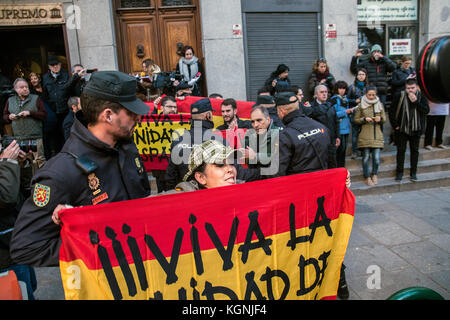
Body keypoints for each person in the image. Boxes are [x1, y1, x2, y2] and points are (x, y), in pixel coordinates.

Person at [9, 71, 151, 267]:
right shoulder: (60, 173)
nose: (138, 117)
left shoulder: (126, 148)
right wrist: (95, 246)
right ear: (108, 115)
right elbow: (27, 247)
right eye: (131, 112)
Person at [0, 139, 37, 299]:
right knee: (18, 292)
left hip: (17, 243)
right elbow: (6, 198)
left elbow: (27, 193)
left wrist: (22, 165)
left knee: (29, 288)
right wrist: (7, 163)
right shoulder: (4, 164)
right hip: (4, 257)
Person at [3, 78, 47, 195]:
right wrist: (9, 117)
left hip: (35, 136)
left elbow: (44, 114)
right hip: (19, 138)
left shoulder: (35, 98)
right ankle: (27, 188)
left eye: (26, 87)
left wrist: (30, 113)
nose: (25, 89)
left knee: (39, 161)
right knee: (23, 162)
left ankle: (42, 186)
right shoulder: (10, 100)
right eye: (22, 87)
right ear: (15, 89)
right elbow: (4, 116)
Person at [270, 91, 330, 177]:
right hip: (323, 184)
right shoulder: (321, 127)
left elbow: (276, 173)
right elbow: (332, 162)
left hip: (298, 186)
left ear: (281, 111)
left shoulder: (284, 136)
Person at [390, 78, 430, 182]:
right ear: (405, 87)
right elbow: (392, 111)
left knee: (414, 151)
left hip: (416, 129)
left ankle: (413, 173)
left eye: (412, 88)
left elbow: (426, 110)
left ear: (416, 87)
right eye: (408, 88)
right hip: (402, 129)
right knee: (401, 151)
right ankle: (399, 173)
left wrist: (416, 102)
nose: (410, 90)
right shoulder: (400, 95)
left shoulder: (421, 96)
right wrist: (395, 126)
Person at [353, 86, 386, 186]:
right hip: (365, 135)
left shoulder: (379, 104)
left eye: (373, 95)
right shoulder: (360, 105)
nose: (371, 97)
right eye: (369, 95)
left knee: (376, 158)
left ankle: (374, 174)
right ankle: (367, 176)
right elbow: (355, 120)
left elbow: (384, 119)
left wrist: (380, 119)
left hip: (377, 135)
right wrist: (364, 119)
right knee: (366, 157)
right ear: (366, 94)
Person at [303, 85, 340, 169]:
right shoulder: (310, 107)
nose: (324, 94)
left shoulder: (331, 106)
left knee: (332, 163)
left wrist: (338, 136)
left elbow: (336, 121)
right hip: (317, 141)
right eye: (322, 92)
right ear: (316, 94)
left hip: (331, 139)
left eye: (326, 92)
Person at [242, 106, 282, 174]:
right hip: (255, 176)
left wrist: (255, 156)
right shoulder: (249, 134)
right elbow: (244, 155)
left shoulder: (279, 134)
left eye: (259, 120)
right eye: (252, 122)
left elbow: (276, 159)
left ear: (268, 120)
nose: (255, 125)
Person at [41, 55, 69, 154]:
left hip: (65, 109)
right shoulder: (45, 78)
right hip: (53, 110)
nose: (55, 67)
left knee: (66, 130)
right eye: (52, 65)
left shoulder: (66, 74)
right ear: (49, 67)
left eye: (56, 64)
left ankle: (68, 151)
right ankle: (58, 153)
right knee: (55, 133)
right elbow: (45, 94)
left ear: (60, 64)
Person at [151, 96, 178, 193]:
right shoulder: (156, 120)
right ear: (161, 108)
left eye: (175, 107)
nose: (173, 109)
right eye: (169, 107)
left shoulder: (181, 121)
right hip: (161, 170)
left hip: (176, 168)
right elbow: (150, 125)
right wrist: (154, 109)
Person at [29, 72, 58, 160]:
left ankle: (55, 151)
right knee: (45, 136)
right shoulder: (31, 92)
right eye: (32, 79)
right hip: (42, 117)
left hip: (51, 114)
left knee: (54, 134)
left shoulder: (45, 88)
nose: (34, 80)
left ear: (39, 79)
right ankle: (48, 155)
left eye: (35, 78)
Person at [329, 81, 352, 168]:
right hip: (339, 129)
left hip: (346, 127)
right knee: (339, 151)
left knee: (343, 151)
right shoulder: (334, 99)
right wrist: (345, 112)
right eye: (340, 88)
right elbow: (333, 114)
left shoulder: (345, 99)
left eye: (344, 88)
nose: (342, 90)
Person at [347, 68, 369, 159]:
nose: (361, 76)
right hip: (355, 113)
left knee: (364, 133)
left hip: (366, 113)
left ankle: (363, 151)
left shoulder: (368, 87)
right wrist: (354, 101)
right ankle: (355, 151)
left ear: (365, 76)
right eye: (359, 74)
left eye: (363, 74)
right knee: (355, 133)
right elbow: (347, 100)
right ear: (356, 76)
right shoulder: (352, 87)